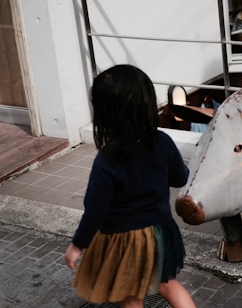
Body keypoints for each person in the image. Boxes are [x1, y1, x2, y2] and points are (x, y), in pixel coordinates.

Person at [64, 64, 196, 308]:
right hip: (161, 232)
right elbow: (180, 178)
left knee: (132, 295)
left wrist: (77, 245)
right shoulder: (162, 142)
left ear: (106, 114)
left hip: (125, 241)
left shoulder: (107, 160)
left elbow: (95, 210)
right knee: (167, 284)